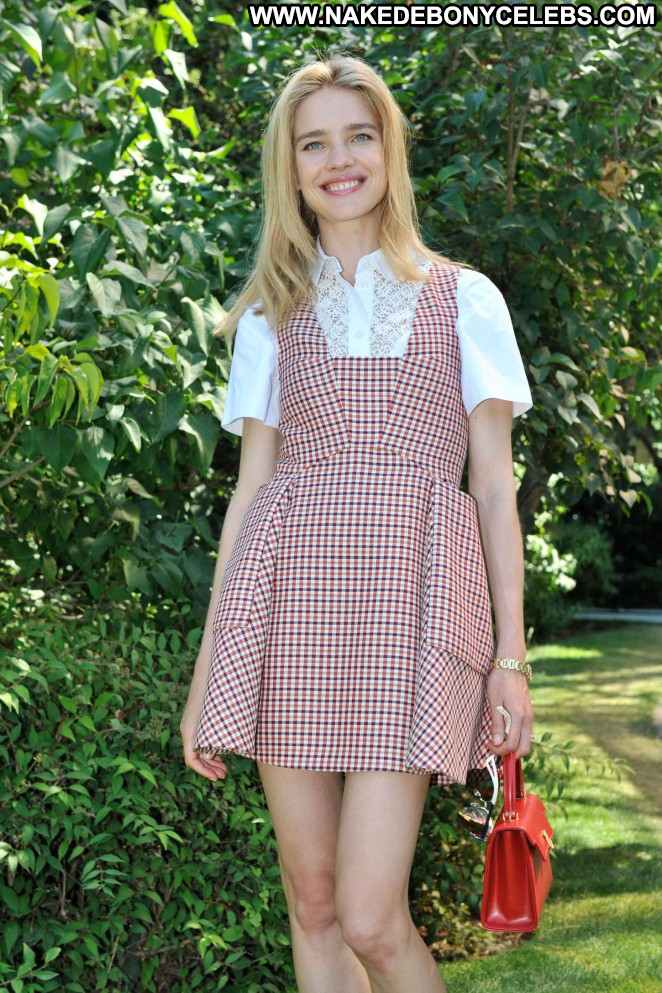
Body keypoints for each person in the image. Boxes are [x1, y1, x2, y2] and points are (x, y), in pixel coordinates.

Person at [180, 53, 535, 993]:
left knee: (373, 913)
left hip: (414, 611)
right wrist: (211, 667)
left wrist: (510, 658)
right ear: (290, 168)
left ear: (390, 150)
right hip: (288, 612)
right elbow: (250, 492)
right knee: (314, 904)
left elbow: (493, 489)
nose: (339, 160)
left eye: (358, 136)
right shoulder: (272, 312)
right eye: (314, 144)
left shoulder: (466, 298)